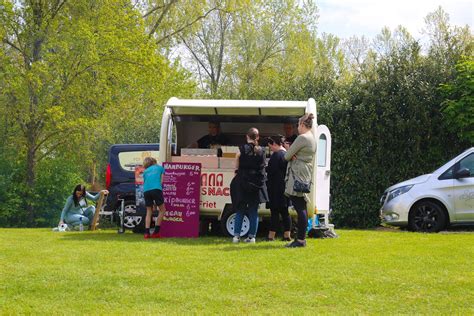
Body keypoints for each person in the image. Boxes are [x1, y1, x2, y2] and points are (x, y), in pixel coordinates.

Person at [283, 113, 316, 248]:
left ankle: (300, 240)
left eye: (298, 125)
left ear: (302, 125)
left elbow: (287, 156)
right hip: (305, 174)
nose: (297, 128)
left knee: (300, 207)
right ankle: (301, 238)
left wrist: (289, 151)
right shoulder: (312, 138)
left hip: (297, 174)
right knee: (301, 205)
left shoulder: (302, 138)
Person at [230, 127, 268, 243]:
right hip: (255, 184)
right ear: (257, 137)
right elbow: (263, 166)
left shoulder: (242, 149)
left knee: (240, 210)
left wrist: (236, 170)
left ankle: (236, 236)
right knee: (253, 211)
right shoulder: (261, 150)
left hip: (242, 182)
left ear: (247, 137)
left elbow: (237, 157)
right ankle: (252, 237)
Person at [265, 135, 292, 242]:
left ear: (275, 144)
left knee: (274, 212)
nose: (270, 149)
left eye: (270, 146)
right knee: (285, 212)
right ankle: (287, 234)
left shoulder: (276, 155)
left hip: (275, 188)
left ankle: (271, 236)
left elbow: (270, 170)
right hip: (285, 187)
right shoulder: (286, 154)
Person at [143, 156, 166, 239]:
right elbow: (161, 181)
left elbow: (145, 182)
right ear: (154, 162)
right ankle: (156, 232)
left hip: (146, 191)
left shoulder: (145, 171)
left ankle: (146, 233)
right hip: (156, 189)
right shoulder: (160, 168)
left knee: (149, 211)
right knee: (162, 210)